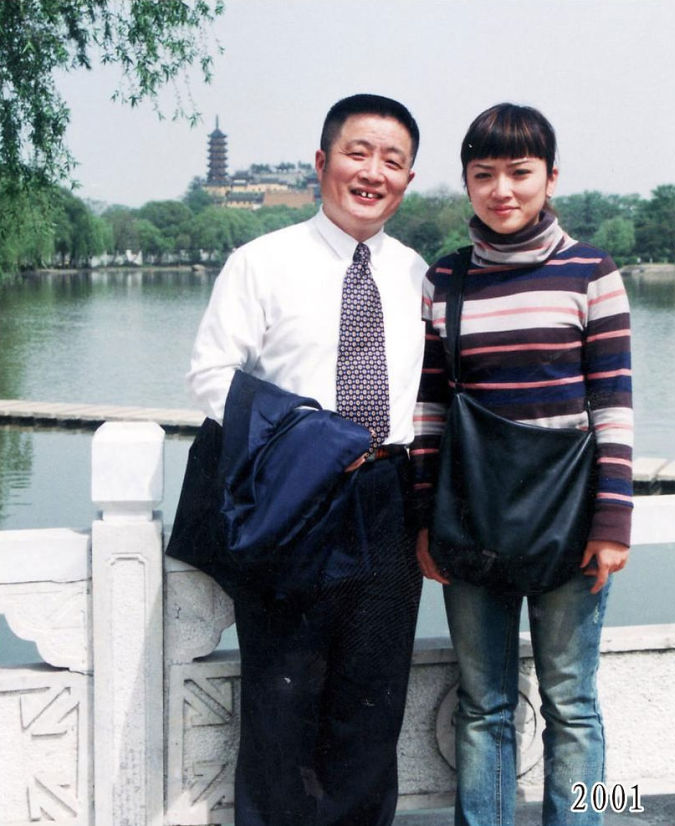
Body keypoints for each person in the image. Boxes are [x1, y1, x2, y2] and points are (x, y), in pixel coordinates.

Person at [186, 94, 427, 826]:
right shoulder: (262, 262)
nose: (373, 172)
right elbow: (209, 377)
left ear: (407, 180)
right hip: (296, 499)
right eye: (358, 153)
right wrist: (314, 439)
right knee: (281, 699)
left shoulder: (419, 274)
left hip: (387, 498)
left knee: (371, 699)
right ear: (322, 163)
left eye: (392, 161)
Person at [411, 103, 633, 826]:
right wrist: (425, 520)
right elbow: (430, 413)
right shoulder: (445, 281)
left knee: (573, 706)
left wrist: (613, 522)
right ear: (466, 184)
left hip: (571, 523)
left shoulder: (592, 274)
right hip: (471, 521)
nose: (502, 189)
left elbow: (613, 409)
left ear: (550, 176)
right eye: (484, 175)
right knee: (484, 706)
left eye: (519, 172)